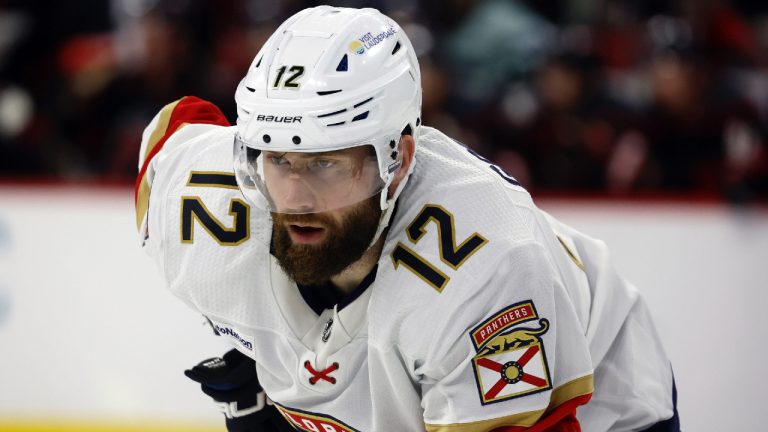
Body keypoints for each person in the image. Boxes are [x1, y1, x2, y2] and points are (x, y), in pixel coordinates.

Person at [136, 6, 679, 431]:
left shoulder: (487, 272)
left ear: (397, 161)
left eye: (327, 163)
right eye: (278, 160)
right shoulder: (202, 206)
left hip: (600, 407)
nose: (296, 196)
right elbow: (172, 133)